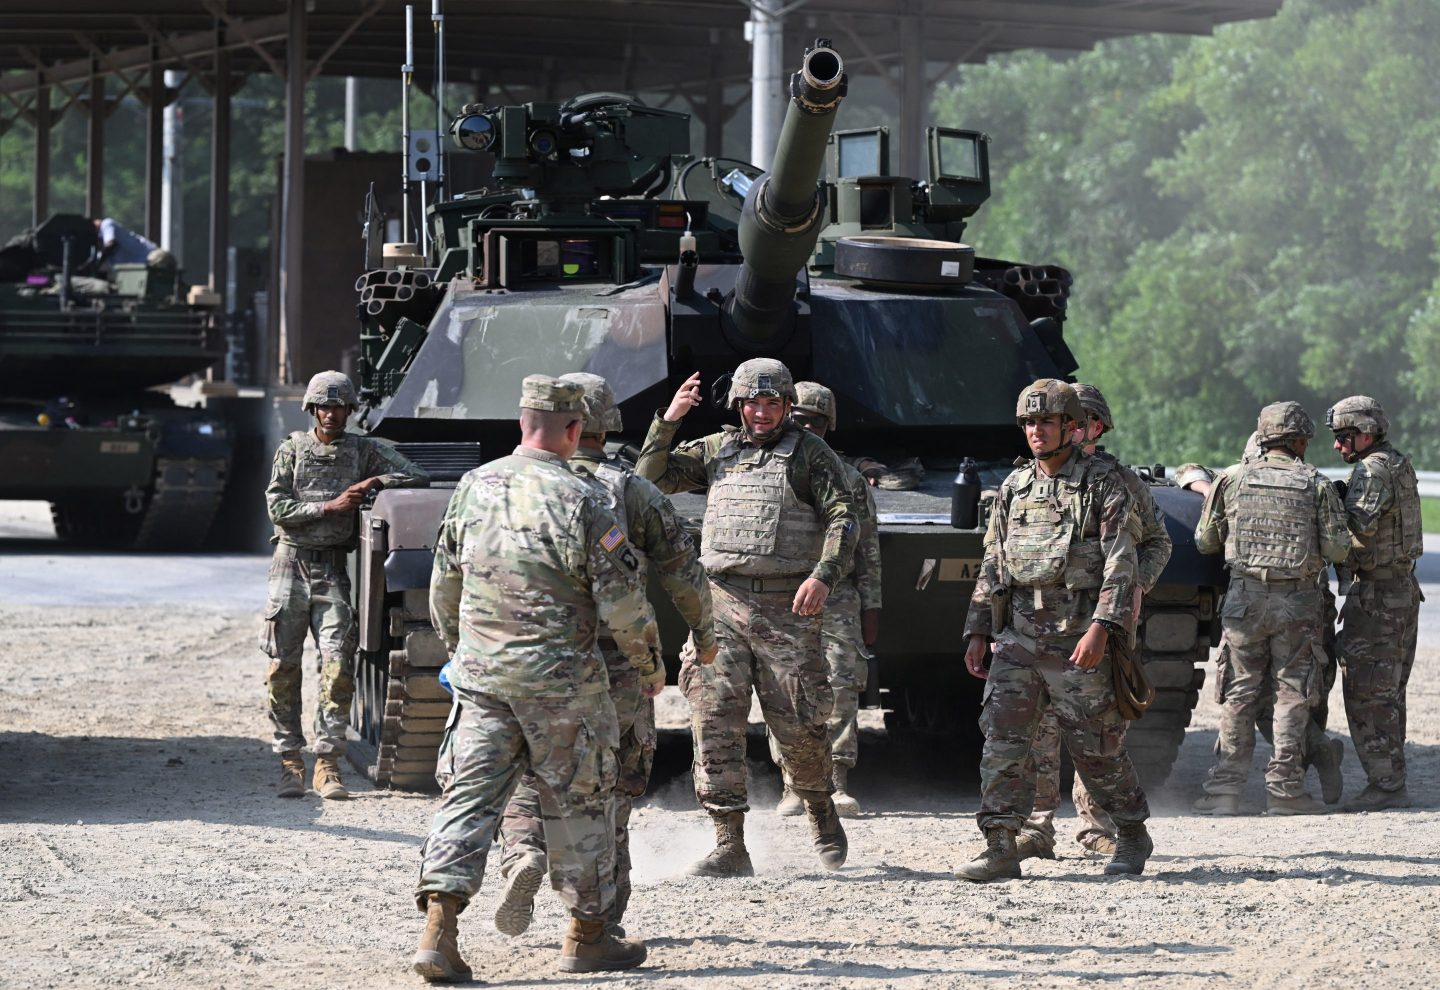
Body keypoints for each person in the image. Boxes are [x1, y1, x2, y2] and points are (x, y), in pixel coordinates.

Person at [413, 375, 663, 982]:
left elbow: (445, 584)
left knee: (469, 802)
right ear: (576, 430)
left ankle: (438, 935)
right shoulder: (584, 498)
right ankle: (587, 937)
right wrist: (650, 666)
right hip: (563, 686)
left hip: (483, 680)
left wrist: (463, 652)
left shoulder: (473, 487)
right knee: (582, 804)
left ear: (520, 423)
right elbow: (623, 602)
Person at [492, 372, 717, 939]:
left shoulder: (509, 482)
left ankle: (522, 850)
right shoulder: (628, 490)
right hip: (615, 665)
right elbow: (683, 573)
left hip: (527, 655)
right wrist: (704, 636)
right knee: (610, 784)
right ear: (606, 422)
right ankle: (597, 921)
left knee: (526, 767)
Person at [636, 359, 858, 877]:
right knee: (712, 719)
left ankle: (820, 805)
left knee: (800, 727)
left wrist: (824, 574)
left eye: (773, 404)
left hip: (788, 610)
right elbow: (649, 481)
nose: (762, 413)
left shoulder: (809, 453)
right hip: (721, 605)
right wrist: (667, 421)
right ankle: (728, 841)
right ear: (738, 406)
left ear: (786, 407)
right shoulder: (717, 450)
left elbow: (842, 515)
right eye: (753, 404)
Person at [959, 379, 1151, 882]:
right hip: (1018, 639)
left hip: (1076, 638)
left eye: (1045, 421)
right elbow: (992, 563)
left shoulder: (1103, 484)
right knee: (1003, 743)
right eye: (1027, 422)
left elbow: (1121, 563)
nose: (1035, 431)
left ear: (1072, 426)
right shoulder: (1013, 488)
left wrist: (1103, 628)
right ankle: (1000, 842)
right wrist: (979, 629)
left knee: (1097, 748)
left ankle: (1131, 832)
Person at [1018, 383, 1171, 860]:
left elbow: (1156, 542)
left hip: (1102, 620)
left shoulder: (1118, 481)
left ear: (1094, 427)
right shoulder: (1031, 480)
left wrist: (1129, 592)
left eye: (1078, 419)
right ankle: (1037, 826)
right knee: (1037, 730)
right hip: (1043, 625)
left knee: (1096, 730)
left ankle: (1098, 825)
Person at [261, 370, 429, 800]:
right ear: (312, 409)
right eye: (323, 406)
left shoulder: (363, 451)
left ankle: (328, 763)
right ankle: (289, 762)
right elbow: (277, 506)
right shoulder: (292, 449)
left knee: (337, 665)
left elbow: (415, 475)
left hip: (333, 569)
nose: (331, 414)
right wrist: (329, 506)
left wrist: (374, 481)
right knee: (283, 666)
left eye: (338, 407)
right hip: (291, 565)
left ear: (349, 410)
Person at [1191, 401, 1349, 817]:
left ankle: (1225, 790)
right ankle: (1284, 789)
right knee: (1291, 691)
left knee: (1240, 691)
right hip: (1297, 602)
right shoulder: (1315, 483)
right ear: (1300, 440)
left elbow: (1206, 541)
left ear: (1262, 437)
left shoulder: (1232, 478)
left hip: (1244, 600)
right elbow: (1335, 548)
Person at [769, 381, 882, 818]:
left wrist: (872, 606)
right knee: (783, 687)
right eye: (797, 417)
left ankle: (836, 781)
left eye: (814, 420)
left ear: (828, 425)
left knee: (838, 683)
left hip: (837, 597)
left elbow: (868, 548)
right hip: (781, 593)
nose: (803, 426)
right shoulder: (767, 469)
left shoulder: (849, 478)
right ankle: (793, 785)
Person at [1327, 395, 1423, 812]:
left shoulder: (1373, 470)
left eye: (1344, 437)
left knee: (1368, 692)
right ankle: (1389, 776)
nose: (1338, 446)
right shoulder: (1396, 463)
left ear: (1366, 434)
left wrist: (1326, 505)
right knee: (1388, 691)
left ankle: (1386, 784)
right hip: (1399, 591)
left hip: (1379, 598)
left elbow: (1352, 531)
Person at [92, 217, 174, 270]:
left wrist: (95, 265)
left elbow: (111, 245)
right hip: (142, 270)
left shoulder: (106, 224)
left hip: (154, 258)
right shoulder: (106, 255)